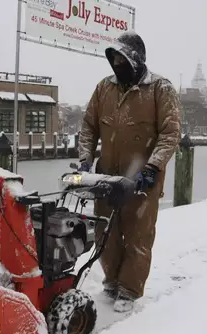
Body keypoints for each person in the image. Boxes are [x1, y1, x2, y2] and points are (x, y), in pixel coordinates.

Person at [77, 31, 181, 313]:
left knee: (138, 236)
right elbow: (88, 127)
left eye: (123, 59)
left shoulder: (161, 89)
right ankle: (111, 281)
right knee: (105, 231)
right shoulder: (104, 88)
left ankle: (130, 289)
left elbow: (170, 133)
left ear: (136, 60)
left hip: (142, 180)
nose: (118, 65)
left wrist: (153, 167)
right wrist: (85, 159)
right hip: (107, 177)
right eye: (115, 60)